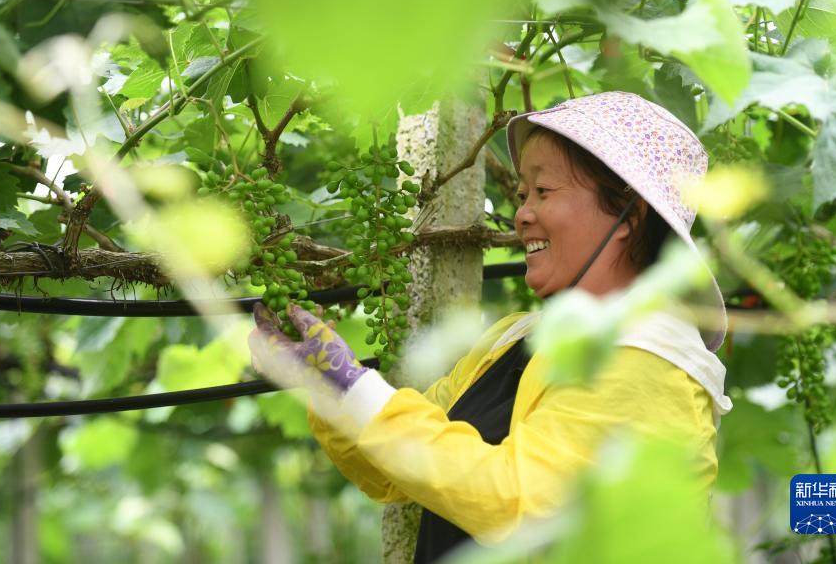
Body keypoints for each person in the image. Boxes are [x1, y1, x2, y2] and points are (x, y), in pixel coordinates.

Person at [248, 91, 733, 562]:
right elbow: (395, 469)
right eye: (523, 194)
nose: (522, 214)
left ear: (628, 215)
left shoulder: (651, 361)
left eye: (543, 191)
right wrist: (329, 390)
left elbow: (523, 506)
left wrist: (355, 387)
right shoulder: (515, 340)